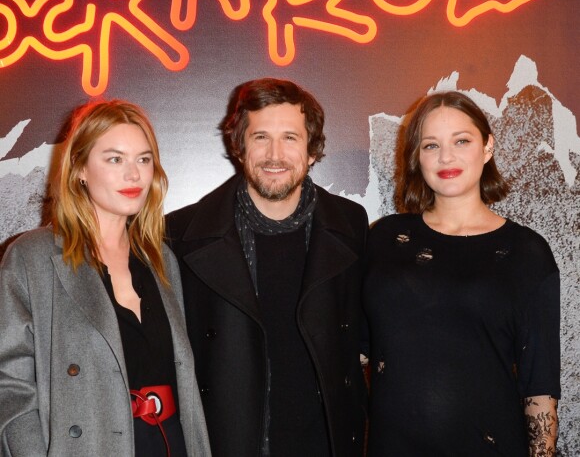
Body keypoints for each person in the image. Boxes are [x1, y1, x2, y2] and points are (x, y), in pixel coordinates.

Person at [166, 78, 368, 457]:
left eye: (290, 138)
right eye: (261, 137)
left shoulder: (351, 226)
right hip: (227, 443)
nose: (275, 155)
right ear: (239, 147)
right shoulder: (179, 235)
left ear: (311, 151)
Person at [0, 100, 211, 457]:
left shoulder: (162, 259)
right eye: (115, 159)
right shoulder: (32, 257)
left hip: (169, 443)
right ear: (80, 168)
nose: (134, 175)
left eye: (144, 159)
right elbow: (9, 384)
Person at [363, 91, 560, 456]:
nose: (446, 157)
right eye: (430, 145)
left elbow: (540, 386)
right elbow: (352, 353)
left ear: (487, 147)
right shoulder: (384, 239)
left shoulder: (527, 252)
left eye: (461, 141)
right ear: (416, 157)